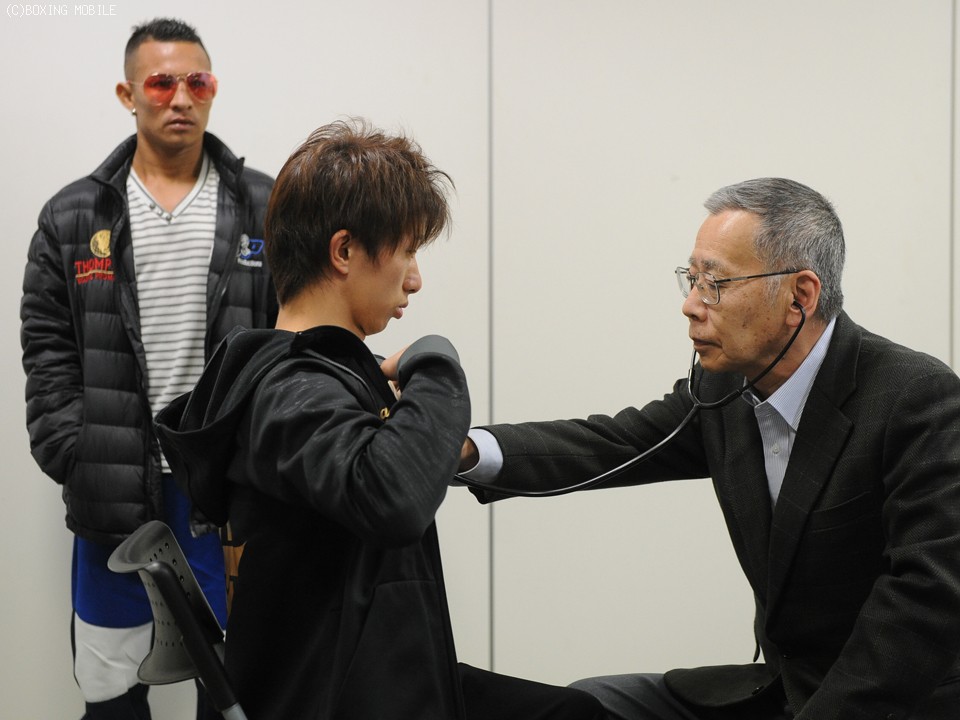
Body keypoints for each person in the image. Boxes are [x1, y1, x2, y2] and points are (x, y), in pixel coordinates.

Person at [458, 177, 960, 720]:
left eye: (715, 283)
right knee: (585, 704)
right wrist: (460, 450)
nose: (691, 306)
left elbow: (927, 598)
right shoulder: (724, 388)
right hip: (778, 689)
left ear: (800, 296)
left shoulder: (916, 397)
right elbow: (613, 443)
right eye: (691, 279)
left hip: (893, 703)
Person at [151, 119, 602, 720]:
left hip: (369, 673)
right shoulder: (290, 391)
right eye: (408, 251)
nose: (415, 278)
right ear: (343, 252)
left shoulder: (311, 381)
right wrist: (434, 361)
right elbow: (393, 495)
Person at [20, 17, 276, 720]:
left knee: (235, 690)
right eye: (161, 83)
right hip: (114, 502)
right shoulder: (73, 217)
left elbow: (293, 335)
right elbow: (47, 347)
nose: (181, 98)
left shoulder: (263, 205)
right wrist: (76, 453)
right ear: (127, 94)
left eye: (198, 82)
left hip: (225, 498)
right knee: (111, 695)